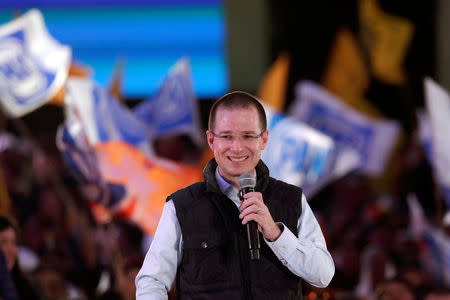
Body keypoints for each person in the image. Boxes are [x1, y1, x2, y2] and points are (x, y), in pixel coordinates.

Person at [135, 91, 335, 299]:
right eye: (227, 136)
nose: (237, 147)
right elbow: (152, 281)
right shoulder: (182, 206)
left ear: (264, 139)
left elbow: (323, 275)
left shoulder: (291, 199)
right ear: (211, 140)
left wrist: (276, 233)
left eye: (248, 136)